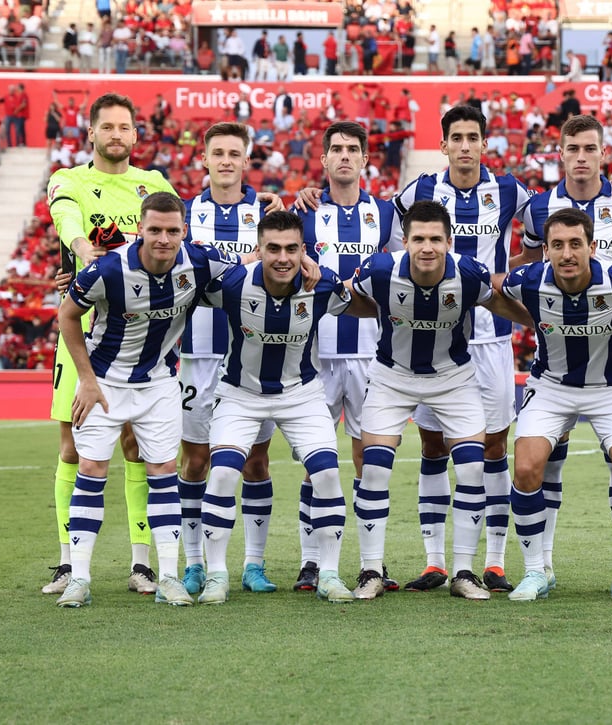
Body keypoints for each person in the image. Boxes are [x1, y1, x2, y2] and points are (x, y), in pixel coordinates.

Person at [295, 105, 533, 592]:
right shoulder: (413, 195)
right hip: (396, 349)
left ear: (484, 143)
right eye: (456, 138)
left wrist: (519, 283)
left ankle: (491, 562)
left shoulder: (511, 190)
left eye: (473, 137)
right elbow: (386, 258)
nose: (465, 146)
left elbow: (547, 229)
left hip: (483, 342)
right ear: (443, 145)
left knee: (491, 449)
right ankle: (428, 561)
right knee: (418, 448)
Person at [53, 191, 239, 608]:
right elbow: (66, 315)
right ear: (141, 228)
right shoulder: (108, 269)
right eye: (154, 229)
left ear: (184, 231)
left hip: (158, 383)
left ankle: (169, 577)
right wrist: (85, 380)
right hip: (104, 383)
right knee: (91, 468)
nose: (163, 239)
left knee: (162, 470)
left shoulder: (200, 262)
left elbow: (248, 274)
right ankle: (79, 579)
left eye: (172, 231)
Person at [348, 200, 533, 600]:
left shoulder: (468, 274)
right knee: (375, 470)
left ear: (450, 242)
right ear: (404, 240)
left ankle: (464, 572)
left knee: (471, 467)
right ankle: (370, 571)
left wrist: (550, 322)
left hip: (453, 379)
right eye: (418, 238)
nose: (427, 247)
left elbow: (504, 305)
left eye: (435, 239)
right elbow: (350, 299)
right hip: (391, 376)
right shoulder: (380, 270)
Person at [195, 211, 374, 604]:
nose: (282, 258)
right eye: (272, 248)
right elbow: (189, 275)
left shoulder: (322, 284)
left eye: (292, 249)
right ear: (258, 250)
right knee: (223, 474)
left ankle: (328, 574)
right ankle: (217, 575)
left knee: (326, 475)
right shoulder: (234, 284)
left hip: (302, 394)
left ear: (303, 251)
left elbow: (360, 300)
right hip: (241, 393)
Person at [42, 93, 176, 598]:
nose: (117, 135)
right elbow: (67, 220)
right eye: (108, 127)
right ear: (91, 133)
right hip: (84, 330)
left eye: (126, 127)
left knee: (137, 447)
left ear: (136, 136)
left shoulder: (154, 185)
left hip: (143, 336)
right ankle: (65, 561)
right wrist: (81, 253)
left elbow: (173, 239)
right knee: (73, 447)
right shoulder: (68, 179)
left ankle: (141, 564)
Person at [501, 208, 612, 602]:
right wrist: (533, 318)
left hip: (611, 387)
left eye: (576, 244)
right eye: (557, 245)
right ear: (547, 251)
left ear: (592, 247)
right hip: (551, 386)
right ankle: (536, 571)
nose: (567, 253)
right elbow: (489, 292)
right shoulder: (527, 280)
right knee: (525, 468)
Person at [515, 114, 612, 587]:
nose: (582, 157)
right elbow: (523, 276)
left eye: (591, 148)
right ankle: (537, 570)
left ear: (603, 153)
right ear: (562, 153)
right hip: (552, 374)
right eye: (574, 149)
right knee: (533, 465)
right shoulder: (536, 208)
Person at [291, 121, 402, 592]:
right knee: (316, 461)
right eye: (335, 149)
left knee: (366, 460)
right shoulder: (305, 213)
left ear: (364, 159)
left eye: (352, 149)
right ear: (323, 160)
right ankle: (310, 561)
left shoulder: (387, 213)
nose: (343, 156)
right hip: (314, 351)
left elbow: (402, 270)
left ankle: (369, 562)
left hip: (370, 352)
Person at [178, 122, 287, 597]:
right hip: (197, 353)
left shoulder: (267, 214)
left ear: (247, 161)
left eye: (234, 153)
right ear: (204, 159)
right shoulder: (184, 213)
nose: (225, 160)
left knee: (256, 461)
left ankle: (254, 564)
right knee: (196, 459)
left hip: (252, 354)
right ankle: (195, 562)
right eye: (217, 152)